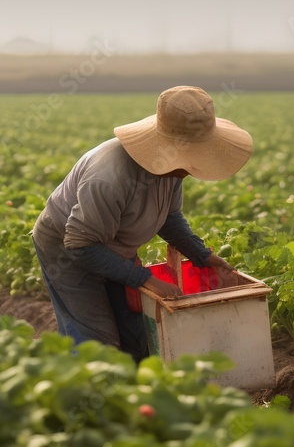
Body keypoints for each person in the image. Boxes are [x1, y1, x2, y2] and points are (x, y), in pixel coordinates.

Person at [32, 86, 253, 362]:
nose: (190, 169)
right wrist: (146, 280)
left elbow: (169, 219)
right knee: (97, 341)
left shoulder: (171, 171)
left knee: (135, 334)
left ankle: (136, 395)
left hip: (114, 246)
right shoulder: (108, 178)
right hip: (67, 248)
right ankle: (88, 397)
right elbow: (81, 245)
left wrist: (202, 255)